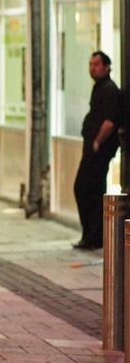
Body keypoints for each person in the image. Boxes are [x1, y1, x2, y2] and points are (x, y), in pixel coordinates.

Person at [73, 51, 124, 250]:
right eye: (90, 64)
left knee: (86, 188)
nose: (92, 68)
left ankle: (93, 235)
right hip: (94, 147)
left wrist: (97, 141)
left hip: (99, 149)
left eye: (96, 64)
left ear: (106, 66)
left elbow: (109, 121)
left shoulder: (109, 90)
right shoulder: (100, 88)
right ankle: (91, 235)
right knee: (89, 189)